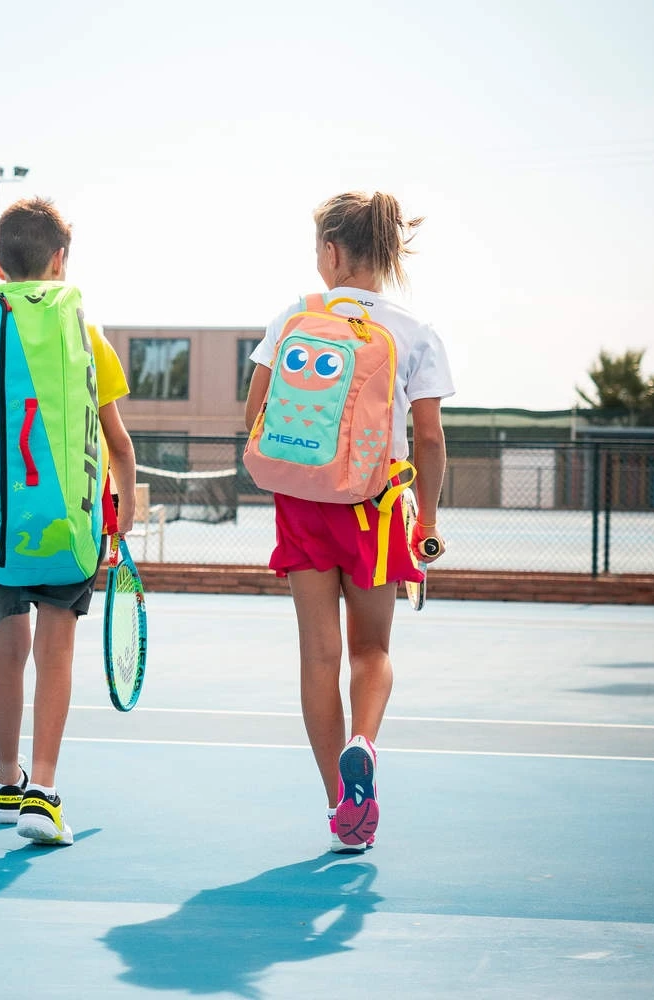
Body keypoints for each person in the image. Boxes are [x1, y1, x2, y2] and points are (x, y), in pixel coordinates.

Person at [0, 197, 136, 846]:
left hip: (1, 529)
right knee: (56, 650)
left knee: (7, 647)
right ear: (61, 263)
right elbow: (120, 445)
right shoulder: (88, 336)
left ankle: (6, 779)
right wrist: (118, 514)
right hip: (70, 525)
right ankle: (44, 790)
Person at [244, 190, 454, 855]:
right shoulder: (415, 332)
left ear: (331, 251)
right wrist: (430, 517)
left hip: (304, 505)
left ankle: (341, 806)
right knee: (372, 650)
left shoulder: (296, 316)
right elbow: (431, 438)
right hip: (378, 504)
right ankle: (364, 741)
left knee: (318, 655)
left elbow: (255, 411)